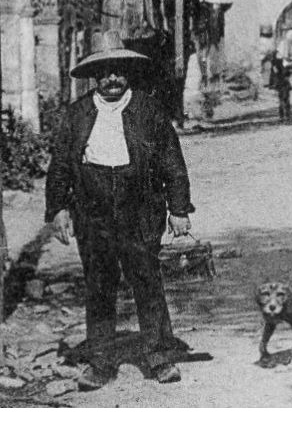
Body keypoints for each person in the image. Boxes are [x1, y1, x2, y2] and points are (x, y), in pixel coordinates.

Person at [46, 31, 194, 389]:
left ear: (128, 72)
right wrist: (58, 209)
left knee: (146, 279)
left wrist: (178, 208)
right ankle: (100, 362)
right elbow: (62, 164)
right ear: (94, 75)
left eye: (119, 71)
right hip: (92, 210)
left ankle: (160, 358)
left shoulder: (148, 110)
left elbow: (173, 162)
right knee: (99, 285)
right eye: (105, 72)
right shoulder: (78, 114)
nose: (112, 79)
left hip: (139, 209)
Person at [269, 52, 291, 122]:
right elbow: (275, 74)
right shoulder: (275, 64)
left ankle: (287, 115)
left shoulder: (282, 62)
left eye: (280, 55)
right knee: (282, 100)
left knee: (286, 100)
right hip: (280, 84)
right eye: (278, 55)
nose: (280, 56)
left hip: (284, 84)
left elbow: (287, 73)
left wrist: (287, 67)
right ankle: (282, 116)